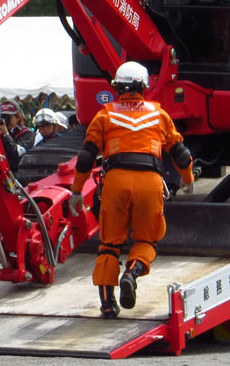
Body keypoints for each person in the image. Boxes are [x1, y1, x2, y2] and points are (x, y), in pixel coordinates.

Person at [68, 61, 195, 318]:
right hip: (150, 182)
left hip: (116, 182)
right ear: (144, 87)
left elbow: (85, 157)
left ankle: (107, 304)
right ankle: (132, 273)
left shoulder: (105, 116)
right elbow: (180, 154)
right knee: (148, 240)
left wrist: (77, 191)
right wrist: (188, 179)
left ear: (117, 87)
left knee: (109, 245)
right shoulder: (159, 115)